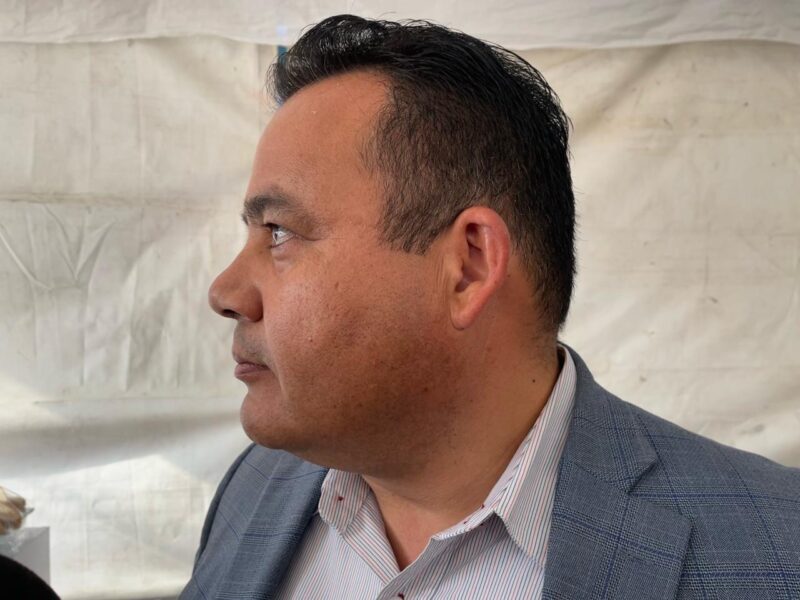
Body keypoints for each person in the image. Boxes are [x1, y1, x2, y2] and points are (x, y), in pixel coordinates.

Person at [181, 14, 800, 599]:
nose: (225, 292)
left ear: (470, 266)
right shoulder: (257, 488)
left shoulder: (773, 552)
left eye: (279, 233)